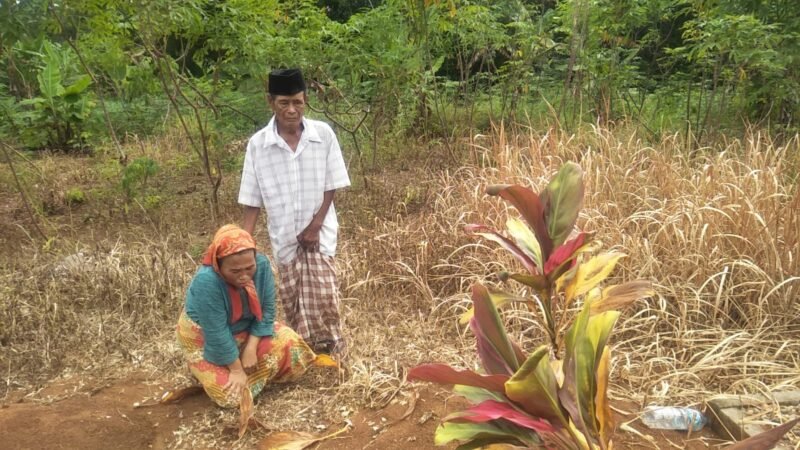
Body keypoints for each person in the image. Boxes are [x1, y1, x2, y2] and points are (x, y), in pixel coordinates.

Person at [239, 68, 351, 356]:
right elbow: (252, 199)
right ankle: (304, 350)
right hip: (284, 234)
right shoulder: (258, 145)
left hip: (320, 231)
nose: (291, 110)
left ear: (306, 100)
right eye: (284, 103)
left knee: (324, 294)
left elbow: (332, 184)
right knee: (291, 296)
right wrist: (243, 245)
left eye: (298, 103)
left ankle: (332, 348)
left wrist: (315, 225)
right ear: (270, 103)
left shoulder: (322, 135)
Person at [176, 224, 318, 408]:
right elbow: (216, 332)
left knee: (294, 348)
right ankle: (204, 365)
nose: (244, 276)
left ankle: (246, 371)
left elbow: (267, 310)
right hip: (205, 336)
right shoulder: (207, 281)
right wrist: (235, 369)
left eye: (249, 268)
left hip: (245, 327)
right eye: (235, 271)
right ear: (219, 265)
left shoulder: (262, 265)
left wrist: (251, 348)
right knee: (230, 398)